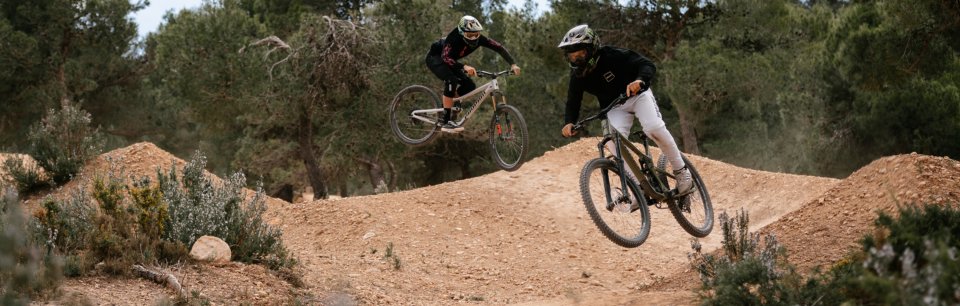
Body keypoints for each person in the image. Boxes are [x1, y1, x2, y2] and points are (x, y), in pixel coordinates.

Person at [557, 24, 692, 193]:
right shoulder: (578, 75)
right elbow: (573, 100)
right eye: (572, 56)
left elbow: (646, 64)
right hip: (615, 107)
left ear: (592, 49)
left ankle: (682, 172)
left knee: (653, 128)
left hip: (638, 96)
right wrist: (569, 121)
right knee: (614, 145)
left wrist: (640, 79)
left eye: (580, 54)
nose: (576, 60)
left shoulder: (613, 55)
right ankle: (637, 188)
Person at [425, 15, 521, 132]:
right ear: (461, 32)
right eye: (469, 35)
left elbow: (499, 48)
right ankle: (445, 122)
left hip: (450, 60)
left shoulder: (480, 38)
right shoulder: (453, 37)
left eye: (476, 34)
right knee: (451, 80)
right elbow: (445, 57)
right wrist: (464, 67)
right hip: (435, 58)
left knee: (469, 85)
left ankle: (451, 104)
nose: (474, 38)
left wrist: (513, 64)